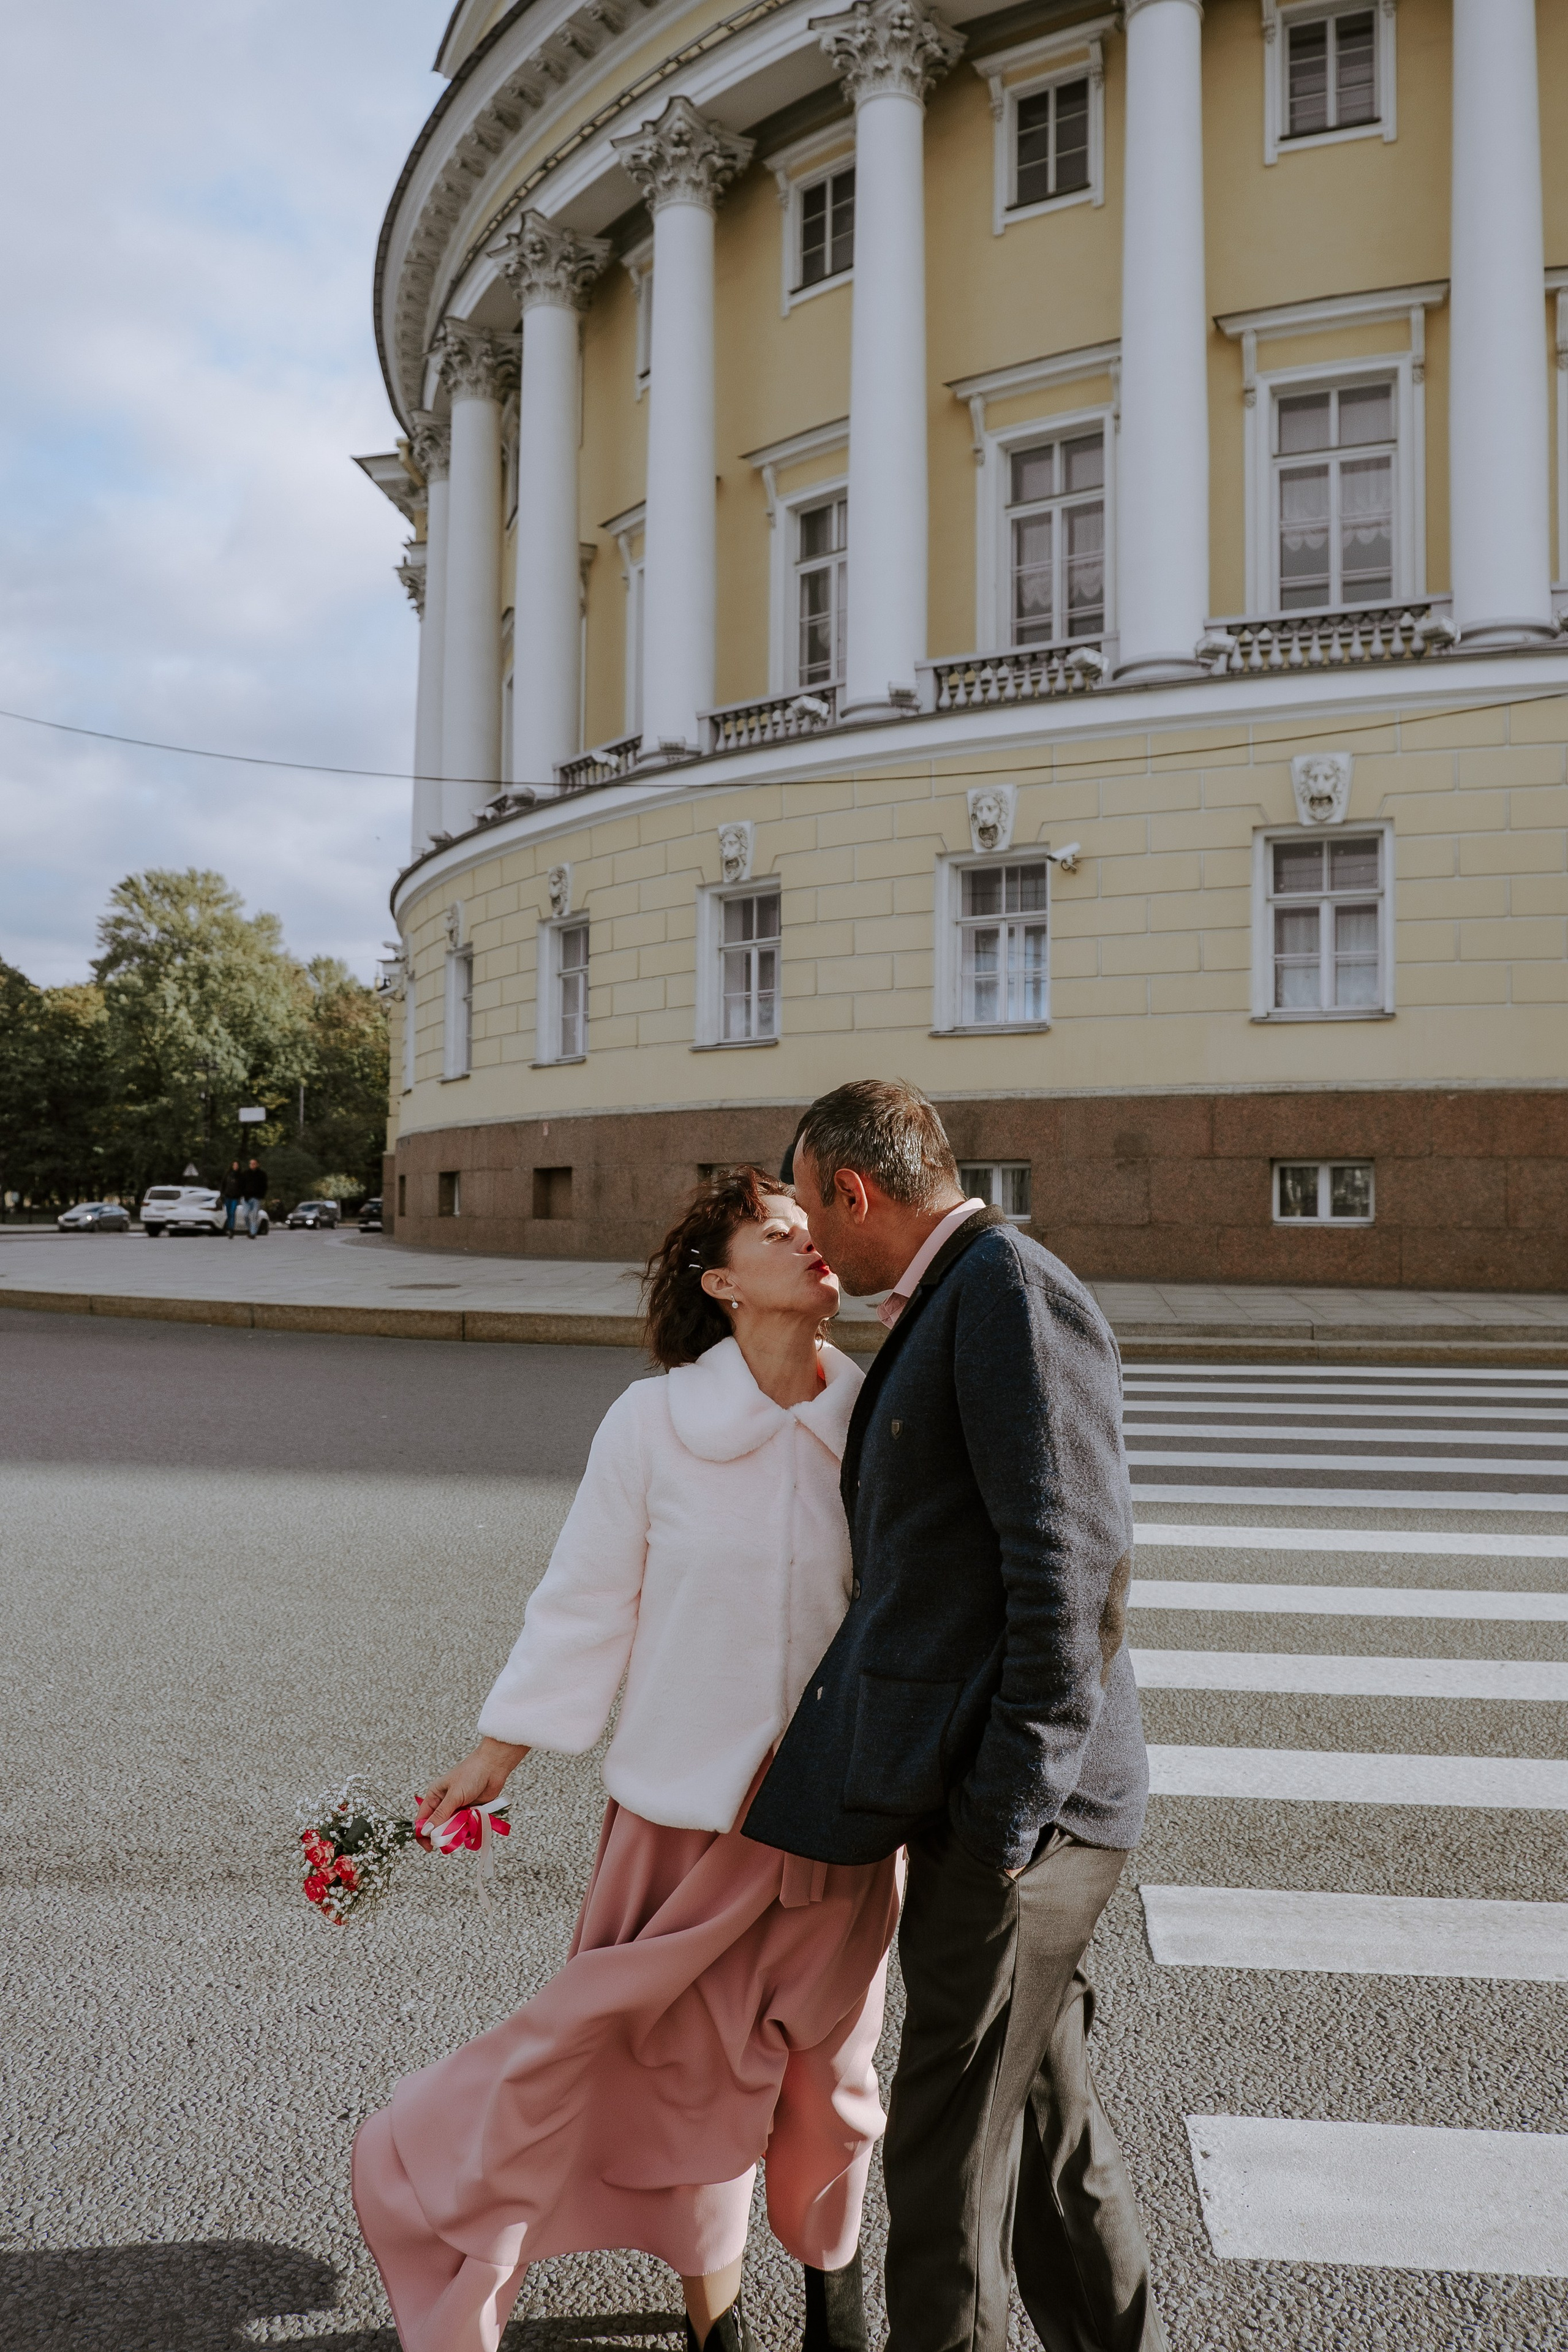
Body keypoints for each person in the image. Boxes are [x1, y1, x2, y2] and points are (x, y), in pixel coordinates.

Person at [353, 1167, 900, 2352]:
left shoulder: (871, 1416)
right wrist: (499, 1749)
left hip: (841, 1822)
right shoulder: (652, 1422)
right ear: (721, 1283)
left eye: (818, 1228)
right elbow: (587, 1598)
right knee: (686, 2091)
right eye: (778, 1232)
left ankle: (836, 2301)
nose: (815, 1247)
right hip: (687, 1825)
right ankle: (717, 2324)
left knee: (837, 2081)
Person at [746, 1079, 1166, 2352]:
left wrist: (996, 1827)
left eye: (813, 1211)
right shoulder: (965, 1293)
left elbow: (1072, 1581)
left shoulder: (1008, 1294)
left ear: (852, 1189)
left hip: (1022, 1823)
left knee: (940, 2177)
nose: (813, 1243)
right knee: (1042, 2136)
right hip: (1003, 1801)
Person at [240, 1158, 267, 1237]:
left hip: (256, 1198)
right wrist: (242, 1194)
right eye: (251, 1164)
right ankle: (250, 1229)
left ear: (258, 1164)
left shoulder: (262, 1174)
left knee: (255, 1216)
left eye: (254, 1164)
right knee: (245, 1215)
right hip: (246, 1198)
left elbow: (264, 1186)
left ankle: (253, 1233)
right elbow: (241, 1185)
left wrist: (261, 1195)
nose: (252, 1165)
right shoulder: (245, 1173)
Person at [221, 1161, 243, 1238]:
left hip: (235, 1197)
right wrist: (222, 1195)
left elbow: (242, 1187)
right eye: (234, 1165)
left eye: (237, 1165)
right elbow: (223, 1185)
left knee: (232, 1212)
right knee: (228, 1213)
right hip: (227, 1196)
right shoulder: (227, 1175)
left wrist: (239, 1194)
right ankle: (229, 1227)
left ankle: (231, 1229)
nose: (236, 1166)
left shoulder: (240, 1176)